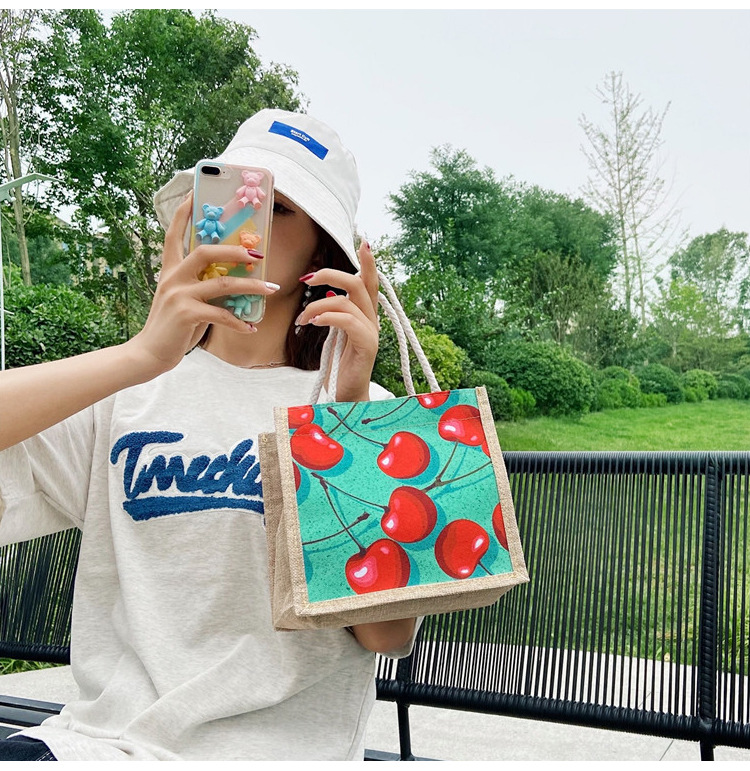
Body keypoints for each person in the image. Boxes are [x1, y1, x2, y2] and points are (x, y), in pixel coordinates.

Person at [0, 109, 418, 761]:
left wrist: (350, 416)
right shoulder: (128, 392)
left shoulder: (362, 409)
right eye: (227, 195)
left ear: (320, 251)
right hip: (103, 745)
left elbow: (386, 631)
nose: (242, 226)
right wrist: (143, 354)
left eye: (276, 208)